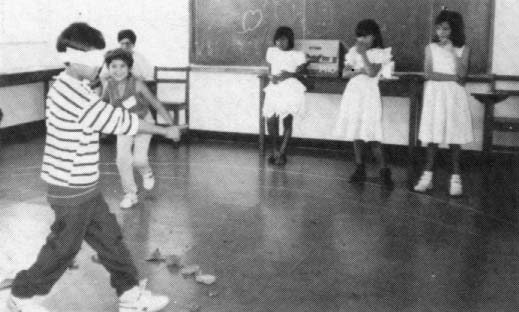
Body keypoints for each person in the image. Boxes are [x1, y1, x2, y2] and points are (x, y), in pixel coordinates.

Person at [6, 22, 180, 312]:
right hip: (70, 187)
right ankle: (21, 296)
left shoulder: (72, 85)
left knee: (110, 239)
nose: (101, 64)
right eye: (95, 58)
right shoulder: (72, 94)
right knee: (64, 247)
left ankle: (130, 296)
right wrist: (165, 130)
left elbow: (104, 111)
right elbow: (119, 121)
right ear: (73, 57)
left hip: (84, 185)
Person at [103, 48, 175, 208]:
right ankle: (130, 193)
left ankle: (146, 172)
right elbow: (103, 105)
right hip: (124, 124)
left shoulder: (137, 84)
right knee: (122, 159)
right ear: (108, 68)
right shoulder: (108, 85)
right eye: (113, 66)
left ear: (129, 68)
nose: (118, 70)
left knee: (139, 160)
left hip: (144, 122)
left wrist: (171, 126)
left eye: (122, 66)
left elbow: (156, 104)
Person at [414, 9, 472, 196]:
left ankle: (456, 179)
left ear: (454, 30)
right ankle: (427, 176)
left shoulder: (463, 49)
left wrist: (453, 52)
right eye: (438, 28)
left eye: (446, 29)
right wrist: (453, 77)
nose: (441, 33)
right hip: (435, 96)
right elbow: (428, 74)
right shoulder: (430, 48)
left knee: (454, 138)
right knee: (433, 137)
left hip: (454, 97)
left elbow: (463, 75)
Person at [334, 19, 394, 187]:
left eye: (365, 36)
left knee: (373, 134)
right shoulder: (353, 51)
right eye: (359, 36)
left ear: (374, 36)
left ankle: (384, 170)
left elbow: (372, 72)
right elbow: (345, 72)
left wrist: (362, 56)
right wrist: (359, 68)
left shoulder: (380, 53)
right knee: (356, 132)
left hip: (369, 96)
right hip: (354, 94)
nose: (361, 40)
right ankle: (359, 167)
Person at [263, 26, 308, 166]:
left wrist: (290, 74)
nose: (280, 43)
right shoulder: (272, 52)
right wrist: (272, 77)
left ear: (290, 40)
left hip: (290, 89)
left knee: (287, 120)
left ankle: (282, 153)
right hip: (275, 88)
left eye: (283, 40)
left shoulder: (298, 55)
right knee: (270, 119)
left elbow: (303, 73)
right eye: (277, 40)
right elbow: (270, 71)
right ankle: (275, 150)